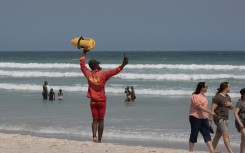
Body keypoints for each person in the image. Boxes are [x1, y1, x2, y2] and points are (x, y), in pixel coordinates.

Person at [80, 49, 128, 143]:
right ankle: (99, 140)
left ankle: (94, 136)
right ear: (95, 66)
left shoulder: (88, 74)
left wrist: (84, 53)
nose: (99, 65)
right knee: (101, 121)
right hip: (102, 102)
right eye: (98, 64)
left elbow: (82, 65)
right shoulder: (104, 74)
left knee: (94, 120)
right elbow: (114, 71)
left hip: (93, 102)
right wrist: (123, 65)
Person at [188, 82, 218, 153]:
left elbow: (204, 106)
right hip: (195, 117)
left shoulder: (203, 95)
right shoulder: (194, 96)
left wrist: (209, 118)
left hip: (204, 118)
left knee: (207, 133)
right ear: (202, 88)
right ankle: (191, 151)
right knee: (194, 134)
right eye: (206, 87)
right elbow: (199, 107)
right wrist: (211, 112)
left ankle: (212, 150)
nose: (207, 88)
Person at [210, 82, 234, 153]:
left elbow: (231, 108)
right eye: (229, 87)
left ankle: (212, 151)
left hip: (226, 118)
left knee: (217, 136)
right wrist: (210, 120)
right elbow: (212, 109)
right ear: (225, 88)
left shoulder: (228, 96)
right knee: (226, 134)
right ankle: (231, 152)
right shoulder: (217, 97)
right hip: (219, 118)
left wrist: (230, 105)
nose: (230, 88)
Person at [234, 88, 245, 153]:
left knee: (243, 139)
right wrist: (240, 123)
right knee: (244, 137)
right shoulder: (240, 102)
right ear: (243, 94)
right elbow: (235, 113)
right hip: (241, 121)